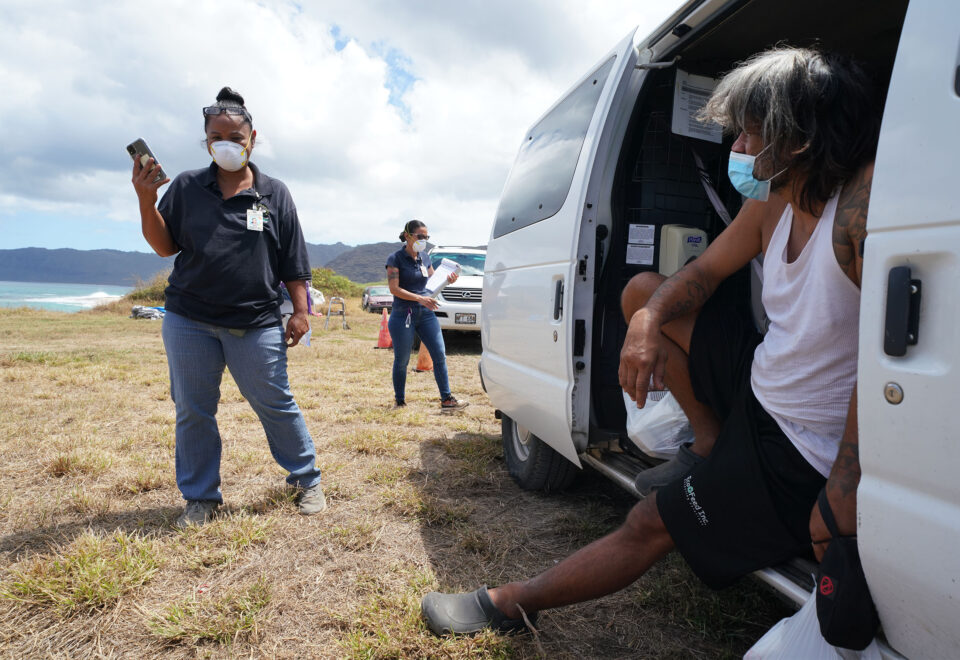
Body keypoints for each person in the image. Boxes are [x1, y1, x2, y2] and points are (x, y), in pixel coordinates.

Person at [421, 46, 874, 635]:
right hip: (763, 384)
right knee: (642, 290)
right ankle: (709, 439)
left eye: (748, 135)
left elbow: (886, 362)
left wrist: (845, 485)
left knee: (648, 524)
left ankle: (507, 604)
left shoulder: (859, 211)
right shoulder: (773, 203)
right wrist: (645, 321)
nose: (735, 149)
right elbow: (703, 274)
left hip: (804, 442)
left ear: (800, 140)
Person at [130, 86, 326, 528]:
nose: (227, 144)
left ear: (252, 138)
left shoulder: (275, 194)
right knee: (194, 408)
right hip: (189, 320)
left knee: (275, 402)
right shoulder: (185, 186)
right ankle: (201, 498)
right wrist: (146, 198)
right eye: (217, 136)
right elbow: (164, 246)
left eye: (236, 137)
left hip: (256, 321)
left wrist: (299, 312)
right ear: (206, 141)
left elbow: (294, 261)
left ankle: (306, 479)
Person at [385, 220, 469, 411]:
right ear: (407, 236)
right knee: (402, 360)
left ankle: (447, 399)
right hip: (402, 315)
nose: (423, 240)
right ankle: (400, 400)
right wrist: (419, 298)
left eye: (426, 237)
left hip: (426, 314)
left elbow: (432, 282)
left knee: (439, 355)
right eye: (420, 236)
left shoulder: (424, 258)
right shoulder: (394, 259)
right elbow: (394, 288)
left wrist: (448, 281)